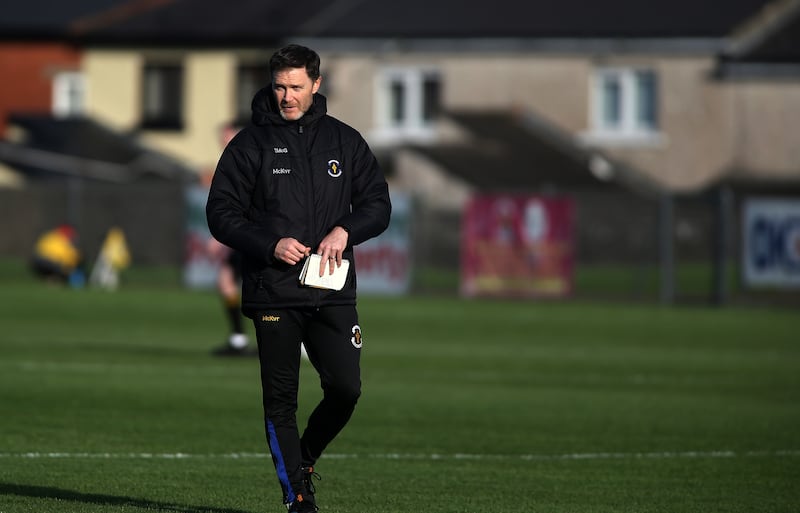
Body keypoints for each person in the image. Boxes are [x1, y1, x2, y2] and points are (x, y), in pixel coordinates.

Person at [206, 44, 391, 513]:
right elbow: (220, 214)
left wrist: (345, 229)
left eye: (295, 86)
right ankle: (298, 499)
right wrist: (269, 245)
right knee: (281, 402)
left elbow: (378, 206)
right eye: (279, 86)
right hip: (274, 292)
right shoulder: (249, 145)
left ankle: (303, 459)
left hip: (331, 289)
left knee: (347, 389)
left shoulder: (345, 142)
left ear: (316, 84)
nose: (287, 96)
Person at [206, 237, 256, 356]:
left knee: (263, 289)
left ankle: (295, 339)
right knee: (225, 282)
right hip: (244, 242)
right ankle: (238, 339)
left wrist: (219, 239)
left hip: (258, 239)